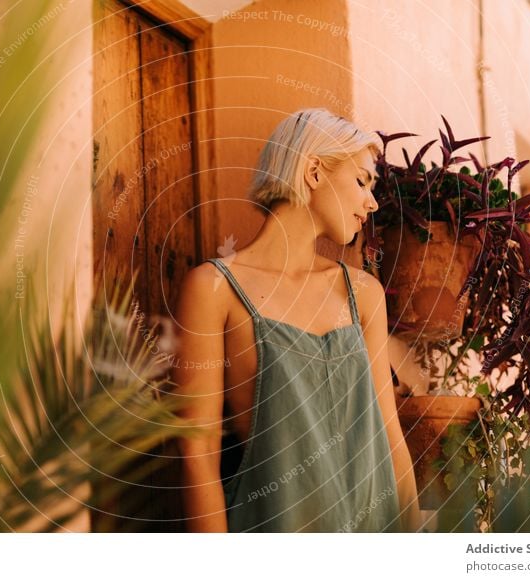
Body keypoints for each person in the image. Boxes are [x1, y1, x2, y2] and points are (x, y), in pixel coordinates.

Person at [172, 107, 422, 532]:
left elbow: (388, 434)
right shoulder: (213, 289)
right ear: (313, 171)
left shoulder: (362, 294)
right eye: (362, 180)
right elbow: (197, 457)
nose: (372, 201)